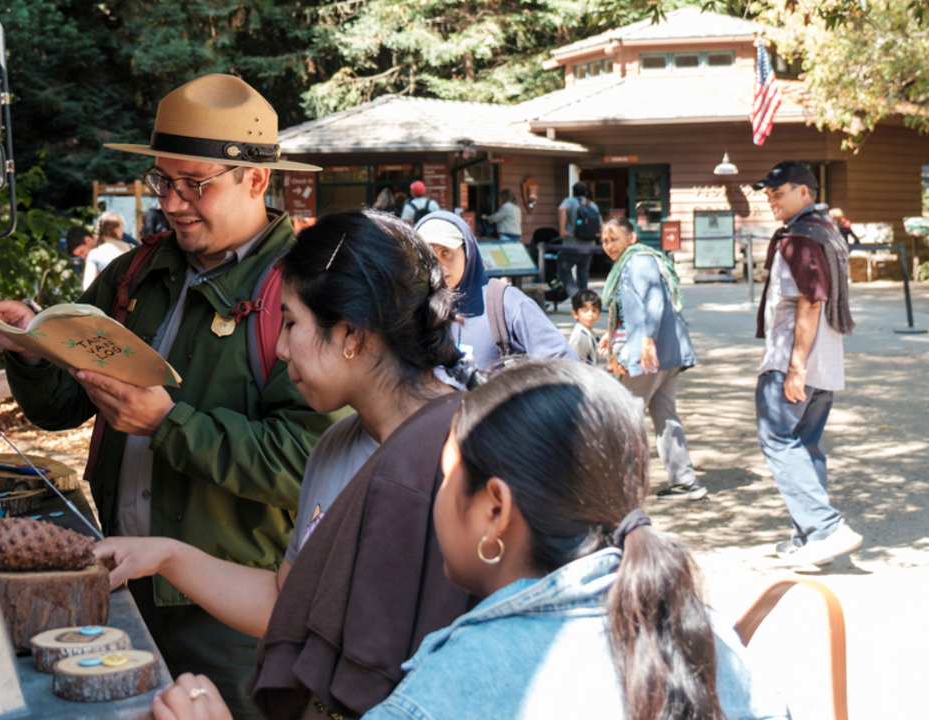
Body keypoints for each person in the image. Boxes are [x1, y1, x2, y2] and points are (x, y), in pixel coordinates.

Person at [0, 74, 337, 719]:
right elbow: (60, 407)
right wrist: (31, 351)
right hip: (119, 580)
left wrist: (170, 425)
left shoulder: (305, 289)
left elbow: (308, 463)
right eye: (162, 181)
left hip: (232, 613)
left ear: (255, 179)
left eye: (194, 184)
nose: (170, 202)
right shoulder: (138, 272)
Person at [153, 362, 789, 720]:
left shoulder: (449, 690)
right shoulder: (710, 636)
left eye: (447, 475)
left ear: (493, 510)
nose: (433, 496)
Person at [93, 208, 459, 640]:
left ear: (351, 335)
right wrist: (164, 556)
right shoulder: (334, 445)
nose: (281, 349)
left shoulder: (461, 451)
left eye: (289, 323)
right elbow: (287, 600)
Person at [752, 161, 859, 567]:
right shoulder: (826, 231)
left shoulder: (802, 237)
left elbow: (811, 300)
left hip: (794, 359)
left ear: (805, 192)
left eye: (779, 192)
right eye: (769, 193)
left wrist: (795, 366)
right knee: (806, 443)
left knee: (777, 437)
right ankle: (809, 539)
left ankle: (825, 529)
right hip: (825, 360)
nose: (772, 199)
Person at [599, 217, 705, 501]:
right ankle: (684, 481)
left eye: (614, 238)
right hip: (666, 353)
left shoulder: (638, 262)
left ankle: (623, 486)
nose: (608, 245)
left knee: (626, 416)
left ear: (632, 237)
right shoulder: (633, 262)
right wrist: (614, 334)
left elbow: (654, 300)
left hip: (650, 354)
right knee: (665, 415)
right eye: (604, 240)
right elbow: (632, 307)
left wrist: (646, 339)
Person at [414, 211, 575, 386]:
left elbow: (566, 368)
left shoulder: (506, 303)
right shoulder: (411, 310)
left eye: (446, 252)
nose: (439, 265)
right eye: (428, 256)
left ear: (467, 251)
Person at [556, 181, 600, 296]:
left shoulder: (569, 201)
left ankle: (576, 296)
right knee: (583, 274)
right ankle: (584, 299)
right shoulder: (592, 205)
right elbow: (599, 223)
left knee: (563, 269)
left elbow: (561, 209)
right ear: (585, 193)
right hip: (589, 245)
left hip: (572, 244)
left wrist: (562, 230)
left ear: (573, 192)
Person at [83, 211, 134, 290]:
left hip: (104, 300)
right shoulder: (132, 249)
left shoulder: (95, 254)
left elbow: (88, 287)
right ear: (116, 229)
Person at [567, 288, 601, 366]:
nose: (590, 314)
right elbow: (575, 362)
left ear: (599, 314)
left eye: (594, 310)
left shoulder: (588, 332)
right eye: (585, 311)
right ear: (575, 314)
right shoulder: (580, 334)